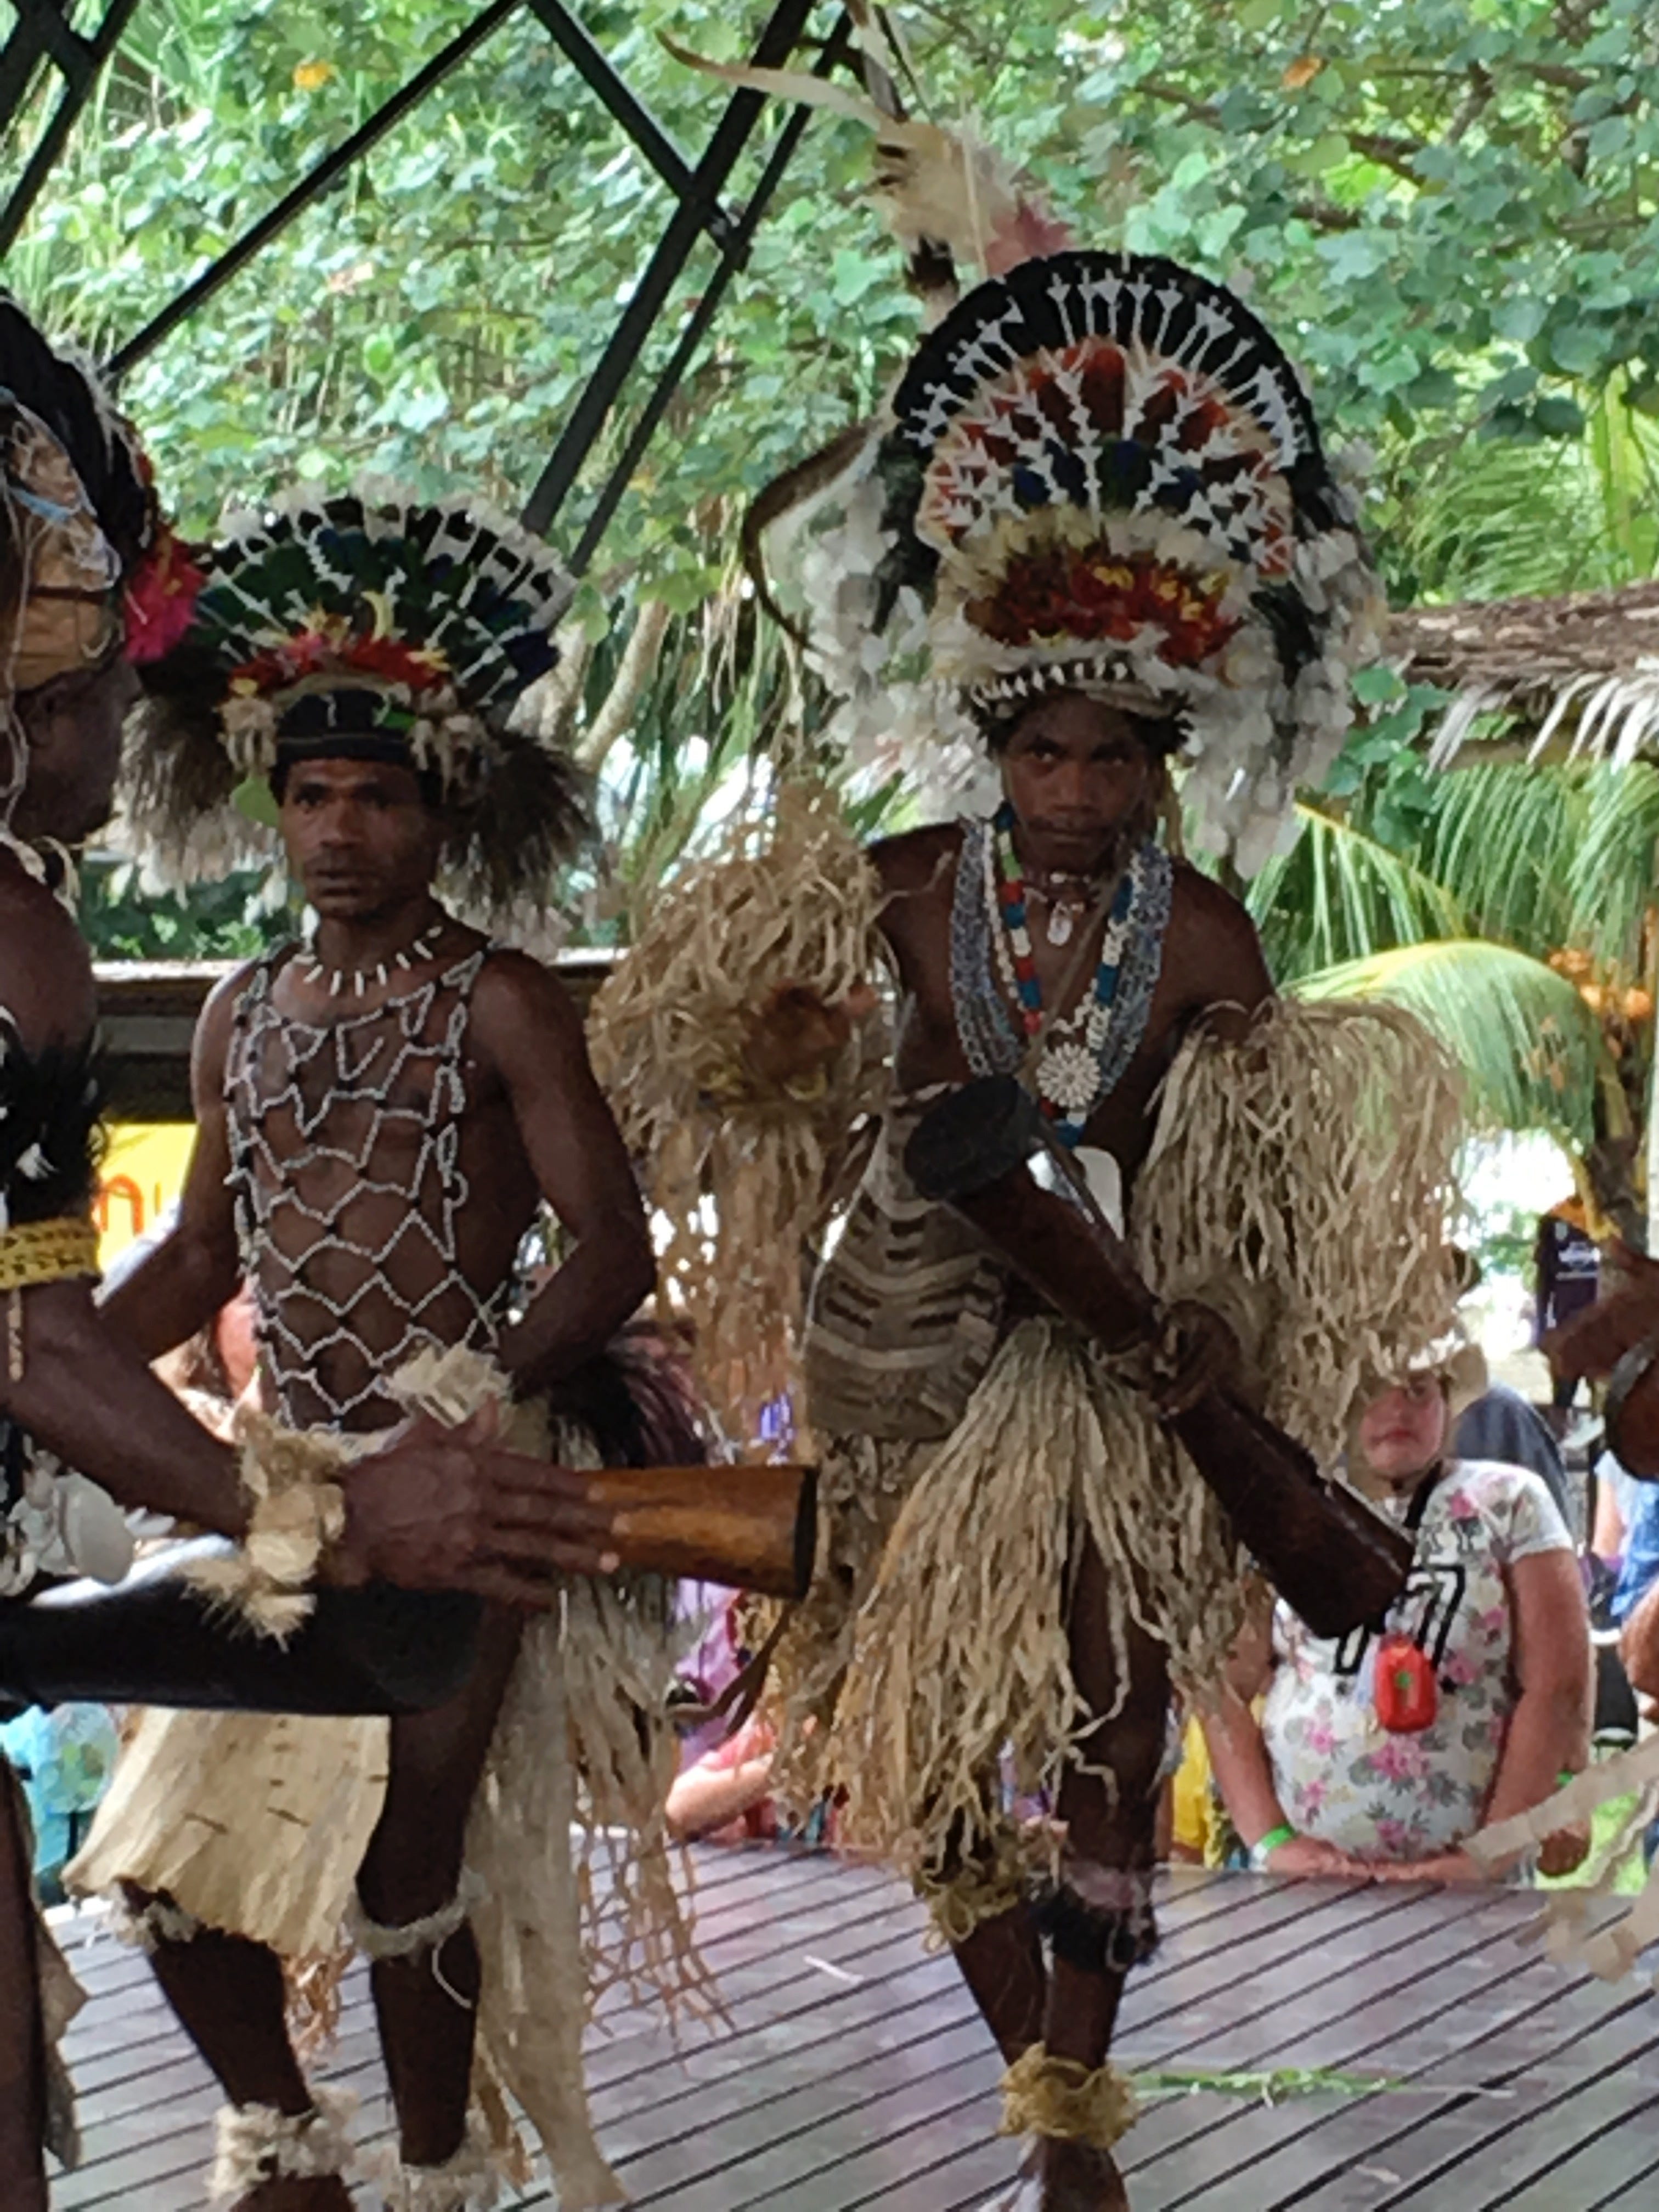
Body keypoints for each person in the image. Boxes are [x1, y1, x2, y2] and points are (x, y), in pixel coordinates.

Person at [594, 216, 1465, 2208]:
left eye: (1108, 754)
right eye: (1040, 748)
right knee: (895, 1755)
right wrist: (779, 1053)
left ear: (1162, 760)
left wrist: (1213, 1324)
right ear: (991, 743)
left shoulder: (1213, 946)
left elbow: (1238, 1208)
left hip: (1094, 1362)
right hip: (892, 1345)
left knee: (1103, 1697)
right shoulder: (895, 892)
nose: (1070, 785)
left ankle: (1074, 2117)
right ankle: (1042, 2087)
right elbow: (748, 1097)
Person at [0, 300, 619, 2209]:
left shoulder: (501, 1000)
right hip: (288, 1464)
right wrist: (88, 1405)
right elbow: (176, 1264)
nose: (339, 831)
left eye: (377, 797)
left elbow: (613, 1246)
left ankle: (432, 2168)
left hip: (450, 1452)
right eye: (312, 795)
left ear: (445, 811)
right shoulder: (234, 1015)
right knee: (173, 1855)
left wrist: (483, 1405)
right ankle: (284, 2140)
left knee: (403, 1856)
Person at [1203, 1339, 1593, 1884]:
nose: (1397, 1407)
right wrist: (1270, 1841)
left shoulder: (1511, 1501)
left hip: (1472, 1890)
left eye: (1419, 1388)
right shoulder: (1285, 1507)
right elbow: (1218, 1684)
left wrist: (1492, 1851)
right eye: (1373, 1389)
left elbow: (1558, 1683)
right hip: (1308, 1887)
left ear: (1447, 1401)